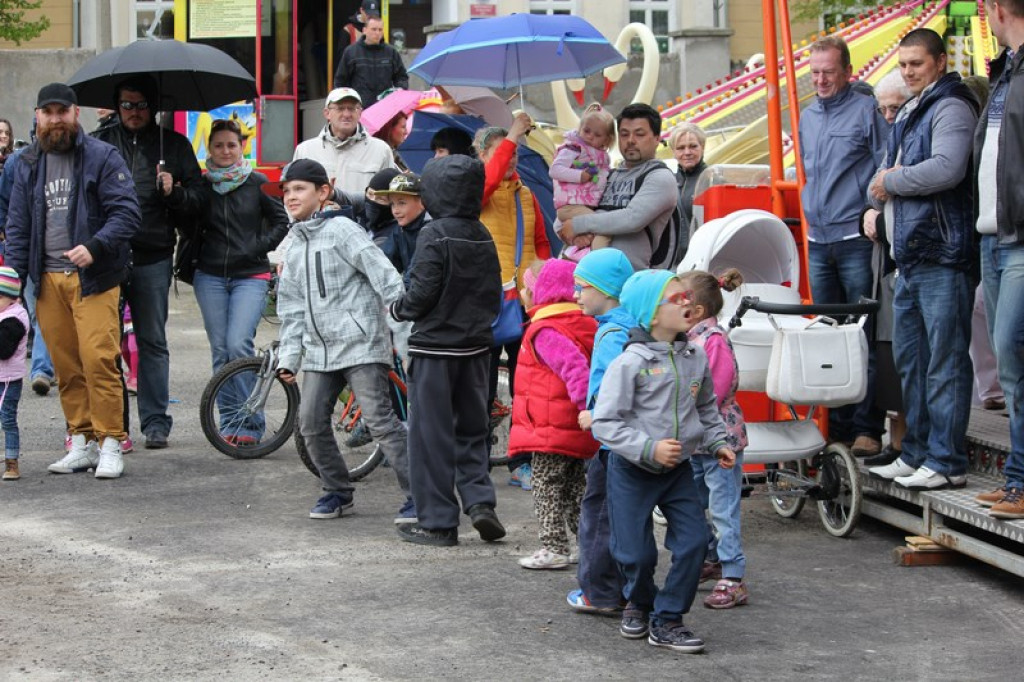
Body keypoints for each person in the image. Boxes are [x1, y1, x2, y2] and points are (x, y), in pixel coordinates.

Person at [591, 269, 736, 652]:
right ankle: (640, 601)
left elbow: (706, 407)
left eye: (687, 296)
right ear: (652, 314)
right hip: (631, 470)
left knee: (693, 544)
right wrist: (647, 448)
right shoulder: (630, 362)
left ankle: (669, 618)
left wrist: (718, 441)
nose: (687, 302)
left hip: (678, 472)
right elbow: (604, 423)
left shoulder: (695, 356)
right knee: (635, 553)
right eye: (677, 298)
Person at [5, 82, 140, 479]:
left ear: (76, 114)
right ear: (37, 116)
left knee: (99, 359)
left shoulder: (102, 156)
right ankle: (80, 441)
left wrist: (95, 246)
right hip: (45, 280)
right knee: (65, 365)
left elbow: (127, 213)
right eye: (48, 112)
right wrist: (10, 291)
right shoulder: (26, 163)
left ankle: (111, 442)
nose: (55, 119)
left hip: (94, 277)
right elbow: (17, 228)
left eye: (62, 111)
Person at [867, 29, 980, 490]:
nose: (909, 71)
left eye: (917, 63)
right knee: (913, 361)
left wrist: (891, 183)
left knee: (945, 360)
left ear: (937, 62)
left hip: (942, 253)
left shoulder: (950, 105)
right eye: (903, 64)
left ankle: (947, 461)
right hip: (910, 255)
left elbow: (947, 168)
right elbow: (882, 174)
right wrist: (883, 190)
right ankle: (916, 452)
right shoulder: (914, 109)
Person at [273, 159, 412, 522]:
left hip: (360, 343)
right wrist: (290, 357)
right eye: (286, 191)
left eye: (299, 189)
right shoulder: (293, 244)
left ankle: (420, 495)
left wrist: (402, 324)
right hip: (320, 351)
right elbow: (290, 308)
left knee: (381, 420)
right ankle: (337, 491)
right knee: (310, 423)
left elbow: (384, 275)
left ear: (323, 192)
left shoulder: (344, 231)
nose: (291, 196)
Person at [389, 154, 506, 547]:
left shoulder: (433, 233)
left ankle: (438, 522)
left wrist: (397, 309)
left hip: (435, 349)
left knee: (430, 438)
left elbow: (421, 292)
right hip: (475, 349)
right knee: (473, 431)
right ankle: (480, 502)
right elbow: (493, 288)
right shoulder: (482, 232)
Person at [93, 76, 203, 450]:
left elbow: (197, 202)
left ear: (152, 107)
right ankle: (112, 424)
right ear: (117, 105)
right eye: (127, 104)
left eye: (141, 105)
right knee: (103, 343)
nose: (134, 112)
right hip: (107, 257)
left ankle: (156, 423)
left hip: (153, 255)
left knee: (152, 341)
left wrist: (174, 193)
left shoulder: (173, 145)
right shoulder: (99, 144)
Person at [169, 118, 289, 444]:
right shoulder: (202, 186)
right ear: (209, 149)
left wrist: (257, 245)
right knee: (221, 351)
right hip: (210, 276)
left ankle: (250, 423)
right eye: (219, 145)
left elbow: (282, 221)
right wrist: (172, 191)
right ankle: (230, 424)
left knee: (239, 345)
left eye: (231, 145)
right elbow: (184, 219)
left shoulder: (257, 182)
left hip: (250, 275)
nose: (225, 151)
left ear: (242, 148)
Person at [799, 36, 889, 459]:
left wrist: (870, 211)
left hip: (854, 237)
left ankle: (868, 427)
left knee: (859, 336)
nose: (820, 79)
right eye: (814, 72)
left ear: (847, 72)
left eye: (828, 72)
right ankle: (836, 426)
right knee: (827, 338)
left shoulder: (866, 110)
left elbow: (885, 163)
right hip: (818, 239)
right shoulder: (807, 115)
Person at [475, 113, 553, 490]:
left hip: (523, 303)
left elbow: (540, 242)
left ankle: (522, 460)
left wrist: (537, 274)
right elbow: (488, 181)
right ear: (483, 157)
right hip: (488, 300)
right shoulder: (478, 189)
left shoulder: (527, 195)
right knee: (483, 386)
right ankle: (478, 459)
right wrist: (514, 135)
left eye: (514, 156)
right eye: (502, 155)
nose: (510, 162)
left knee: (527, 384)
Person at [509, 259, 599, 569]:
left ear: (543, 292)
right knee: (577, 488)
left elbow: (575, 369)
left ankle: (554, 546)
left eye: (527, 287)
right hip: (576, 426)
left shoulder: (546, 330)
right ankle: (587, 545)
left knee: (546, 484)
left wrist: (586, 406)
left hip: (553, 427)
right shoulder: (585, 322)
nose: (522, 292)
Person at [972, 0, 1024, 518]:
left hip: (1018, 236)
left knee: (1012, 352)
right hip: (993, 234)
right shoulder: (1004, 70)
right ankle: (1017, 480)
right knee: (1010, 369)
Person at [676, 268, 749, 610]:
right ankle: (713, 556)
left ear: (699, 311)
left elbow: (714, 391)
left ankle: (733, 575)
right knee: (691, 502)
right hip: (696, 441)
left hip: (720, 442)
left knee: (722, 508)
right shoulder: (687, 339)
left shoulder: (712, 340)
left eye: (680, 300)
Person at [566, 248, 634, 614]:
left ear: (606, 291)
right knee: (626, 519)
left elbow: (611, 384)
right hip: (636, 440)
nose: (576, 295)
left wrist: (595, 414)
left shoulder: (611, 334)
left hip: (613, 442)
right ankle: (626, 587)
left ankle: (598, 592)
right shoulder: (636, 324)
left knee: (598, 516)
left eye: (582, 287)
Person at [861, 68, 913, 468]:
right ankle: (896, 442)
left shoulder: (915, 130)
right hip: (888, 254)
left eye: (895, 107)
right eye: (883, 109)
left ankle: (909, 443)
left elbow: (888, 185)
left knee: (907, 350)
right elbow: (874, 187)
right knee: (888, 348)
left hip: (910, 251)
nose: (889, 115)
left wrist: (881, 201)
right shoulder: (893, 135)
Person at [558, 103, 679, 271]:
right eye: (624, 134)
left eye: (640, 134)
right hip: (582, 273)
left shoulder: (660, 177)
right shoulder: (607, 175)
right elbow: (567, 210)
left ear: (657, 138)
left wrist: (578, 224)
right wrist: (573, 235)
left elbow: (632, 219)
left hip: (625, 281)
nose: (630, 140)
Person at [293, 87, 396, 197]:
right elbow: (295, 194)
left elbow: (390, 197)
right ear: (327, 113)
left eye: (352, 109)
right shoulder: (305, 151)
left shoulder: (381, 150)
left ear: (360, 113)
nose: (346, 114)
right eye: (340, 108)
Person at [549, 104, 615, 259]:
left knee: (585, 238)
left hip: (582, 205)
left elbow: (601, 179)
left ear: (606, 140)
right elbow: (555, 170)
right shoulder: (574, 148)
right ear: (580, 129)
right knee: (604, 228)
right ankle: (598, 264)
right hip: (571, 205)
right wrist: (579, 176)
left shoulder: (600, 156)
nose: (590, 136)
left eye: (597, 135)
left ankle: (572, 257)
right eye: (586, 131)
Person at [332, 14, 409, 107]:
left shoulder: (391, 52)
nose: (377, 33)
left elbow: (402, 77)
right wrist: (346, 104)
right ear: (364, 30)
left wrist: (399, 90)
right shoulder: (351, 52)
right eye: (374, 29)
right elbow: (340, 81)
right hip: (358, 108)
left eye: (380, 30)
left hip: (385, 108)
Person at [0, 266, 28, 481]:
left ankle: (12, 461)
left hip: (8, 379)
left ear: (10, 298)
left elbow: (4, 350)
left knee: (7, 420)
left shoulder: (14, 319)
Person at [373, 172, 428, 280]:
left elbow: (418, 276)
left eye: (402, 203)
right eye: (392, 204)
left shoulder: (432, 230)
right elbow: (383, 264)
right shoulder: (400, 230)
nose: (395, 211)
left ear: (422, 202)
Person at [669, 122, 708, 235]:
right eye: (681, 148)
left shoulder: (713, 180)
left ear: (703, 147)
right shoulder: (669, 181)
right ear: (673, 152)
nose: (687, 152)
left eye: (693, 146)